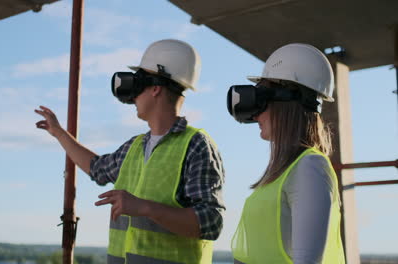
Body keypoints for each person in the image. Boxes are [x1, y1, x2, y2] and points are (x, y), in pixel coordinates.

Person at [35, 39, 225, 264]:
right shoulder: (133, 147)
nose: (133, 96)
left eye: (138, 85)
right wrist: (59, 133)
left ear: (155, 88)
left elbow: (211, 222)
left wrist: (145, 208)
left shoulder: (196, 145)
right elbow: (97, 168)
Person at [226, 43, 345, 264]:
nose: (255, 115)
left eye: (262, 99)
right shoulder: (286, 171)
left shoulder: (310, 168)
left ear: (284, 101)